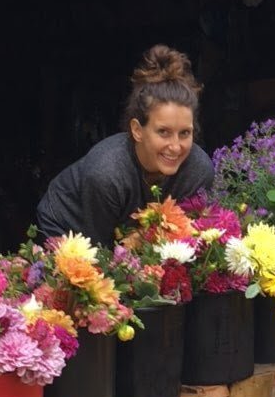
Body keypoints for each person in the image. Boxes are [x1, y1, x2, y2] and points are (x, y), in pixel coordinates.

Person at [36, 45, 214, 246]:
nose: (175, 146)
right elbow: (100, 252)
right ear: (137, 130)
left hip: (130, 232)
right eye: (163, 132)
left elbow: (182, 238)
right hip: (71, 225)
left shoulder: (198, 171)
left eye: (184, 133)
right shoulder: (106, 173)